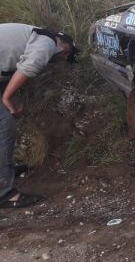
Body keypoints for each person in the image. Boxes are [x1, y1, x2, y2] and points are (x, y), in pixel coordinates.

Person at [0, 23, 80, 208]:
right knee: (4, 125)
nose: (64, 58)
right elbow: (30, 66)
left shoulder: (33, 36)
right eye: (68, 54)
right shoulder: (48, 42)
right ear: (63, 44)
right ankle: (5, 194)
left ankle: (5, 172)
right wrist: (7, 97)